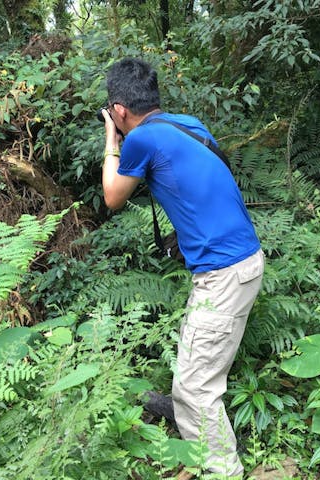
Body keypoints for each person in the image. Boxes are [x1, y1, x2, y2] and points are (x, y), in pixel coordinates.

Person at [100, 57, 264, 478]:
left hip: (223, 272)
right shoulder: (188, 123)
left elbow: (112, 197)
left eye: (112, 113)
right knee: (197, 374)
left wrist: (111, 140)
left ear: (119, 110)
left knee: (194, 385)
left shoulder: (140, 139)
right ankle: (205, 452)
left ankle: (223, 471)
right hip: (241, 260)